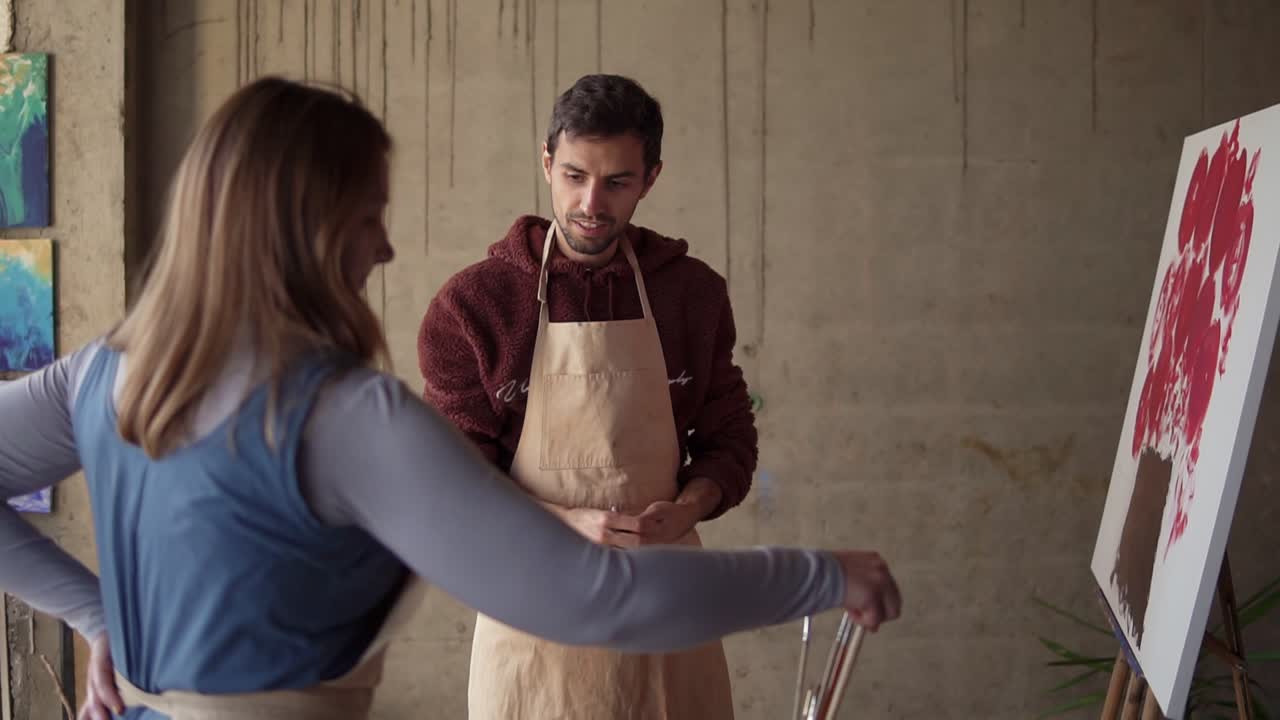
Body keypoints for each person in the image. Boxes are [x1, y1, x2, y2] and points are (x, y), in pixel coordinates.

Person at [0, 77, 901, 720]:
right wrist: (825, 574)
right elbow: (597, 601)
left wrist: (98, 614)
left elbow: (721, 441)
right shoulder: (347, 417)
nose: (387, 250)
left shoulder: (103, 374)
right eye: (369, 218)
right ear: (304, 230)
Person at [417, 74, 768, 719]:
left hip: (664, 606)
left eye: (617, 183)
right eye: (575, 175)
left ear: (651, 178)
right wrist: (568, 525)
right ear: (547, 161)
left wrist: (690, 507)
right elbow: (453, 481)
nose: (591, 203)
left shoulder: (691, 295)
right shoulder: (476, 306)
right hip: (534, 616)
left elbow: (729, 438)